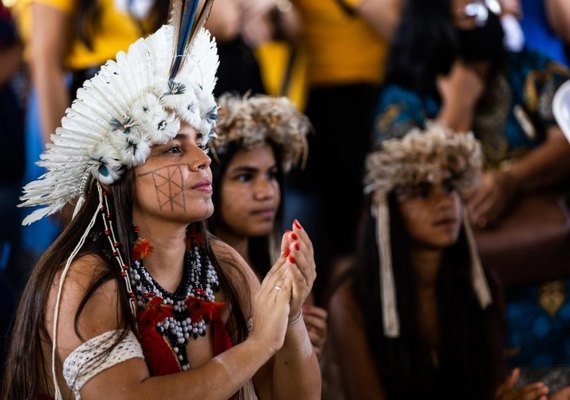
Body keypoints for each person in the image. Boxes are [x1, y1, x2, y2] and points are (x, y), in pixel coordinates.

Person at [2, 2, 321, 399]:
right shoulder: (84, 281)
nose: (203, 160)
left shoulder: (225, 267)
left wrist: (288, 320)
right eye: (173, 149)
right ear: (119, 170)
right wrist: (257, 346)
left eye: (201, 143)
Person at [372, 0, 570, 391]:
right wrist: (459, 105)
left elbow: (567, 134)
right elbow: (407, 180)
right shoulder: (404, 96)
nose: (481, 14)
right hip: (460, 284)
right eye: (467, 10)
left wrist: (513, 180)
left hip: (555, 278)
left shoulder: (528, 69)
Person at [329, 124, 550, 400]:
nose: (444, 202)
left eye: (449, 187)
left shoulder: (482, 286)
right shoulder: (351, 302)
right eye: (422, 192)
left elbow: (490, 388)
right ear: (388, 212)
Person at [207, 93, 327, 358]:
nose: (266, 192)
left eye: (272, 175)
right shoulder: (194, 285)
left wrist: (307, 351)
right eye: (245, 176)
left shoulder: (291, 275)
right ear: (209, 181)